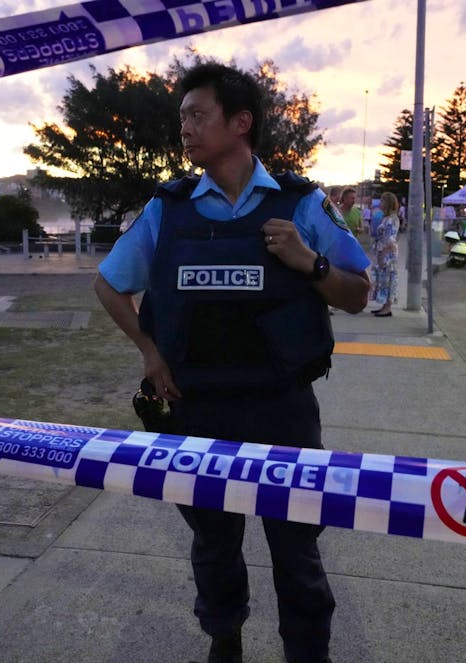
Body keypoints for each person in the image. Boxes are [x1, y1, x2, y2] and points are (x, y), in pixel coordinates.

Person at [93, 63, 370, 663]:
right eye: (182, 117)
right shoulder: (168, 209)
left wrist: (308, 262)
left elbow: (359, 293)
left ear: (240, 123)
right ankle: (226, 639)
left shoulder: (302, 204)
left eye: (198, 115)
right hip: (198, 408)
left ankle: (307, 649)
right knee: (214, 545)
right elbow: (110, 284)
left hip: (282, 410)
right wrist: (149, 351)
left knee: (296, 547)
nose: (185, 129)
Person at [370, 191, 400, 317]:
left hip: (387, 253)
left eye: (382, 201)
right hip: (384, 251)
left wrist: (383, 254)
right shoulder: (387, 218)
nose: (380, 203)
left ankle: (387, 307)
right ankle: (384, 305)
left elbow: (389, 240)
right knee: (383, 279)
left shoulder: (391, 219)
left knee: (387, 279)